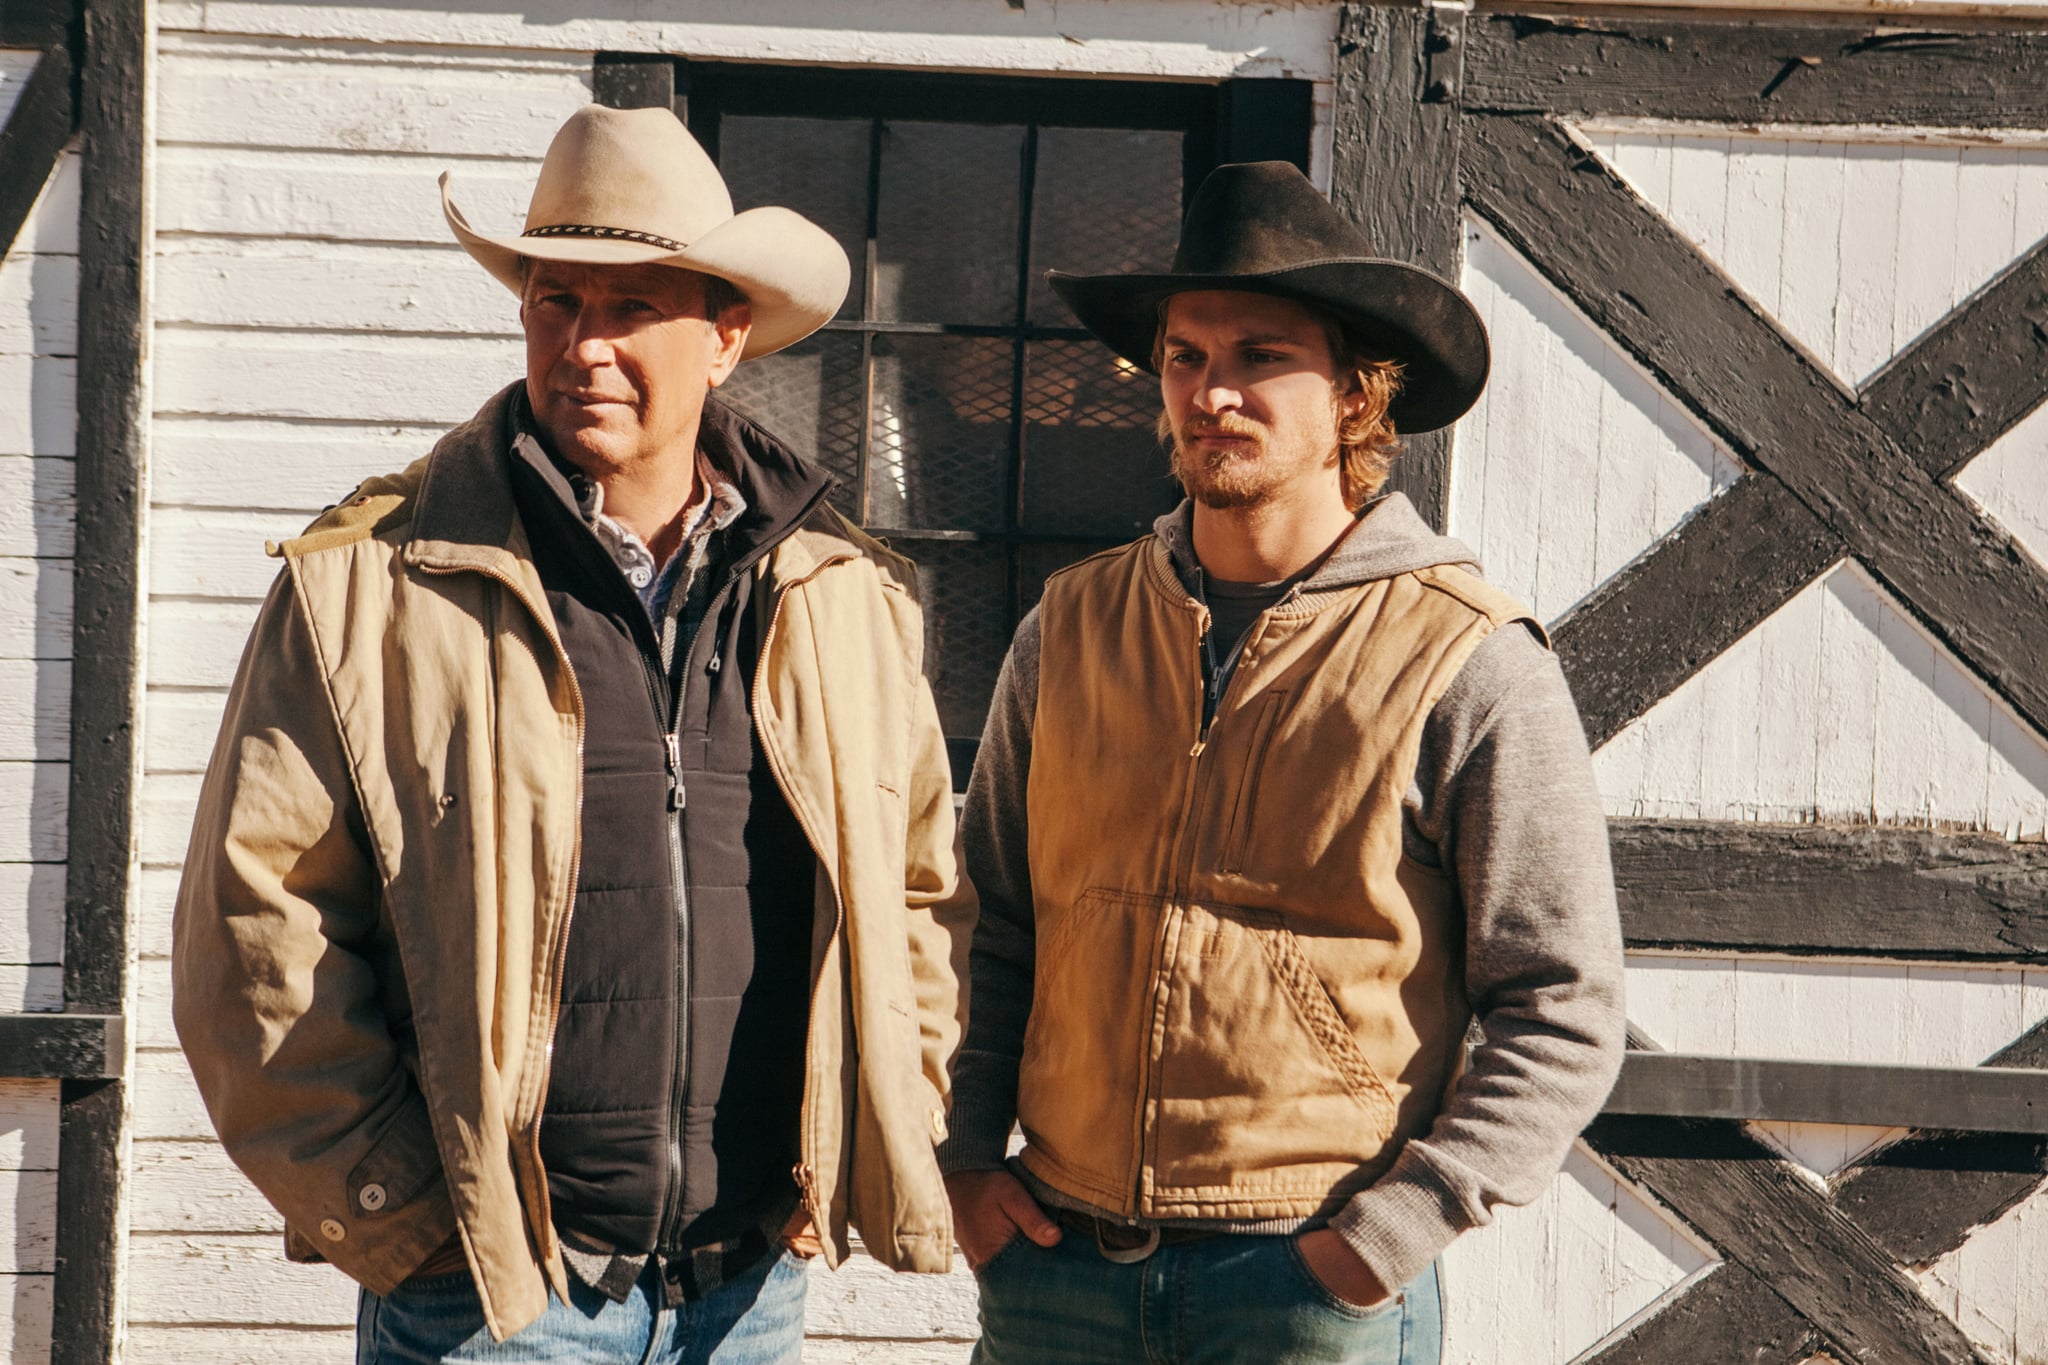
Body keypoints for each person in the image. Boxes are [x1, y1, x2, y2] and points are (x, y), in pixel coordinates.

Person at [172, 103, 973, 1363]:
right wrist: (402, 1213)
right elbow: (256, 923)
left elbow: (920, 895)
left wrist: (872, 1121)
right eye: (558, 303)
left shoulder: (840, 598)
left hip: (746, 1294)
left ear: (725, 335)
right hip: (490, 1299)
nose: (585, 347)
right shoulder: (377, 583)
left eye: (630, 307)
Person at [938, 161, 1626, 1364]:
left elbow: (1560, 1000)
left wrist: (1388, 1233)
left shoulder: (1464, 656)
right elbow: (990, 925)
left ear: (1356, 396)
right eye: (1186, 358)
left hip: (1304, 1289)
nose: (1214, 394)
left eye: (1260, 357)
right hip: (1057, 1272)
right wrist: (959, 1164)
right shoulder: (1072, 625)